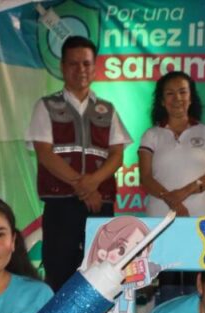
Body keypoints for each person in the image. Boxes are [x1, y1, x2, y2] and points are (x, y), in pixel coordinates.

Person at [26, 35, 132, 292]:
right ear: (63, 67)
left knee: (101, 272)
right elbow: (45, 153)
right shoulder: (46, 106)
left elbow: (117, 155)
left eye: (86, 64)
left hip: (100, 204)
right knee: (59, 271)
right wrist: (83, 187)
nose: (80, 70)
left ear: (94, 68)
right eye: (73, 64)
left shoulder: (107, 109)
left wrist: (92, 184)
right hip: (60, 205)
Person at [138, 70, 205, 301]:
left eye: (183, 92)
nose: (177, 98)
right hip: (162, 220)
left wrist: (182, 193)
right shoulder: (152, 135)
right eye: (170, 93)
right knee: (168, 285)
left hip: (201, 220)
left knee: (200, 285)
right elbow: (145, 177)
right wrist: (171, 200)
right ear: (162, 101)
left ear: (191, 97)